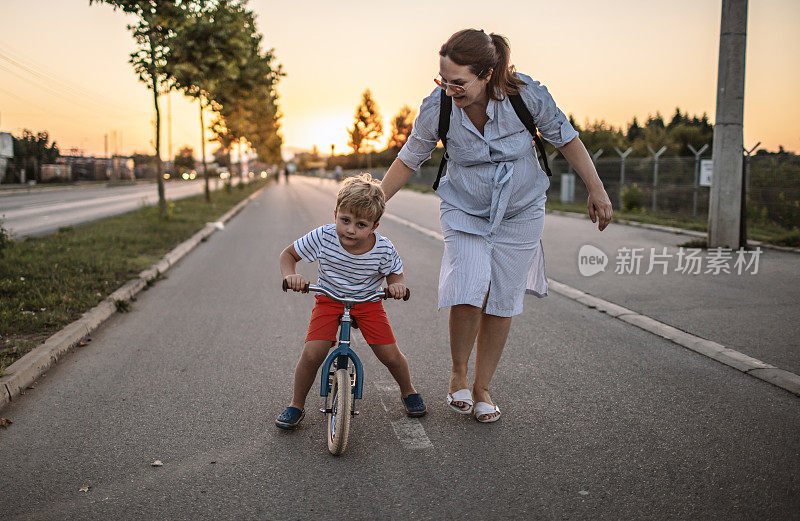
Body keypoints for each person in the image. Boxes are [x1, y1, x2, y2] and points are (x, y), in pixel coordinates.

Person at [380, 29, 612, 423]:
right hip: (465, 207)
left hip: (520, 209)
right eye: (444, 80)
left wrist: (596, 187)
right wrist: (375, 203)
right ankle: (458, 373)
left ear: (487, 74)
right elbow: (410, 157)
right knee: (469, 284)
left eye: (459, 82)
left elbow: (567, 138)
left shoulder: (527, 95)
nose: (450, 89)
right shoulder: (438, 107)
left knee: (503, 297)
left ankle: (483, 386)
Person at [276, 173, 427, 429]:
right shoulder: (324, 237)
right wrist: (292, 276)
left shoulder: (383, 248)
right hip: (329, 299)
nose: (350, 229)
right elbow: (288, 255)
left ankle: (408, 390)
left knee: (390, 355)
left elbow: (395, 273)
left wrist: (396, 286)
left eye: (361, 224)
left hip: (368, 301)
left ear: (374, 226)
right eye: (345, 220)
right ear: (335, 213)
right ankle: (296, 405)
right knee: (313, 353)